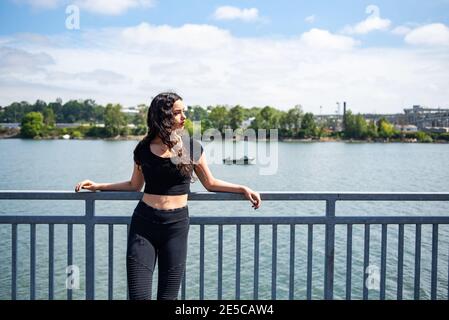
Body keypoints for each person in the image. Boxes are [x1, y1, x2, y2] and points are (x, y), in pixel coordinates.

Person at [74, 92, 261, 300]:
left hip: (176, 227)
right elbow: (134, 185)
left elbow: (211, 183)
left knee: (167, 298)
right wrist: (98, 186)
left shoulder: (192, 147)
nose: (184, 117)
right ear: (163, 116)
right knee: (139, 297)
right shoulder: (143, 149)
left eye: (184, 112)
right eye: (178, 113)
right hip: (143, 225)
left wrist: (242, 188)